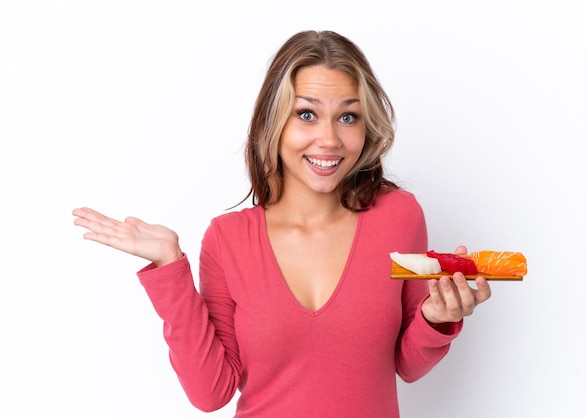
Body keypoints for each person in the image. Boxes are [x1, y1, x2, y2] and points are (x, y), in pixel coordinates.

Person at [73, 30, 491, 417]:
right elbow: (211, 392)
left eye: (348, 117)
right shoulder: (228, 238)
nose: (329, 139)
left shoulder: (399, 216)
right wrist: (170, 268)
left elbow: (406, 364)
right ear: (273, 123)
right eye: (306, 114)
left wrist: (437, 319)